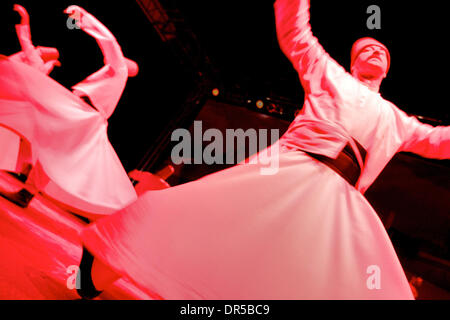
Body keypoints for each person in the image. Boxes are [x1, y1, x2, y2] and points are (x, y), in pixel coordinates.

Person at [76, 0, 450, 299]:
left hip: (339, 202)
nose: (376, 51)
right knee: (193, 218)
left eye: (382, 51)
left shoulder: (397, 119)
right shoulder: (329, 73)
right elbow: (295, 33)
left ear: (387, 70)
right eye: (367, 47)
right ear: (354, 61)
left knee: (341, 281)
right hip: (291, 171)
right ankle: (98, 266)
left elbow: (438, 141)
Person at [0, 5, 138, 219]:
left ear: (128, 67)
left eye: (126, 60)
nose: (121, 58)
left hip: (84, 113)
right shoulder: (109, 74)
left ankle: (28, 189)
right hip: (83, 112)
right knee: (54, 147)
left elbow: (110, 43)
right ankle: (27, 192)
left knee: (37, 97)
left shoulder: (118, 67)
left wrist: (83, 18)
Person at [0, 5, 60, 182]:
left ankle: (22, 167)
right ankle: (22, 167)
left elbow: (25, 38)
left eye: (45, 49)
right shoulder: (40, 66)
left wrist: (24, 16)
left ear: (44, 54)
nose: (41, 47)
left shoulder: (33, 57)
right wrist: (53, 63)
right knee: (21, 137)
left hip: (9, 90)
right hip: (19, 99)